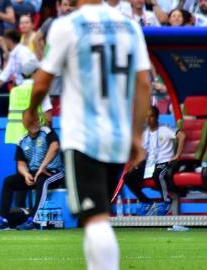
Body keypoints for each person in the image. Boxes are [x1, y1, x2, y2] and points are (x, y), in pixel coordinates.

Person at [23, 0, 152, 269]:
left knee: (95, 219)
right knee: (95, 218)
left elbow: (43, 80)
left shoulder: (68, 26)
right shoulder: (129, 27)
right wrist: (137, 135)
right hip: (118, 138)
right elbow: (143, 84)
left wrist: (32, 109)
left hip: (84, 137)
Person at [0, 123, 64, 231]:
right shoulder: (22, 140)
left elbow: (55, 147)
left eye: (35, 119)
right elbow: (21, 164)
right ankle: (4, 220)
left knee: (42, 181)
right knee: (9, 182)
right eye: (30, 120)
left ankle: (34, 220)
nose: (34, 123)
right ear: (25, 123)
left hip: (54, 172)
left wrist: (42, 168)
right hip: (34, 174)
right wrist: (26, 174)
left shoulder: (47, 132)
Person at [124, 106, 186, 216]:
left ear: (156, 117)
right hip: (150, 164)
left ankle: (166, 201)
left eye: (151, 117)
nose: (148, 119)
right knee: (128, 177)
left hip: (165, 162)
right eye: (146, 117)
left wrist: (177, 155)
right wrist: (135, 164)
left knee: (159, 174)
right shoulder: (145, 133)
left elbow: (182, 135)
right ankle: (146, 202)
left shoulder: (165, 128)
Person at [0, 29, 38, 95]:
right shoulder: (13, 54)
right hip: (21, 89)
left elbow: (32, 70)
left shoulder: (23, 52)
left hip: (30, 89)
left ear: (8, 40)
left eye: (4, 40)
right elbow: (5, 74)